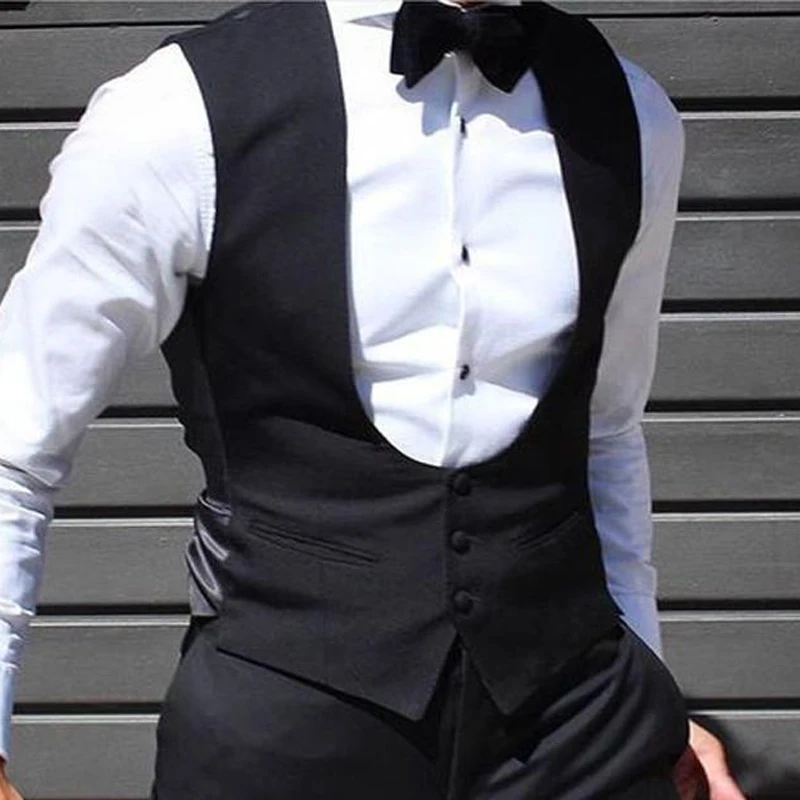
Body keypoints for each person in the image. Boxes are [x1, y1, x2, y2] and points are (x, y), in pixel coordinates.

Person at [0, 1, 747, 798]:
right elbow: (17, 446)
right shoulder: (177, 107)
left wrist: (650, 689)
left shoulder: (631, 112)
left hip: (580, 729)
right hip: (285, 727)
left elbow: (604, 430)